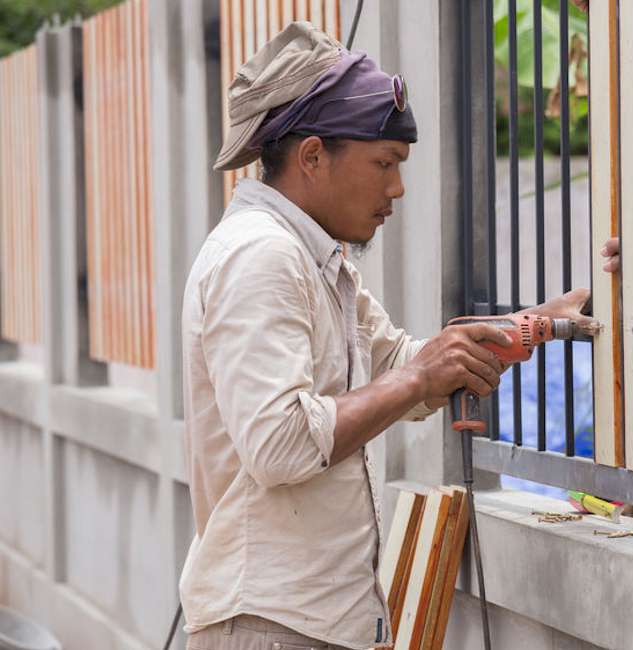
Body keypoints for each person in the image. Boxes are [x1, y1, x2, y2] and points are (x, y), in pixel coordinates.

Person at [179, 22, 596, 650]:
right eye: (384, 164)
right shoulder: (261, 256)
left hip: (308, 618)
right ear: (313, 156)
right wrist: (419, 378)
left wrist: (537, 323)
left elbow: (402, 362)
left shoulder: (315, 257)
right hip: (270, 624)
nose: (396, 189)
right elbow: (279, 442)